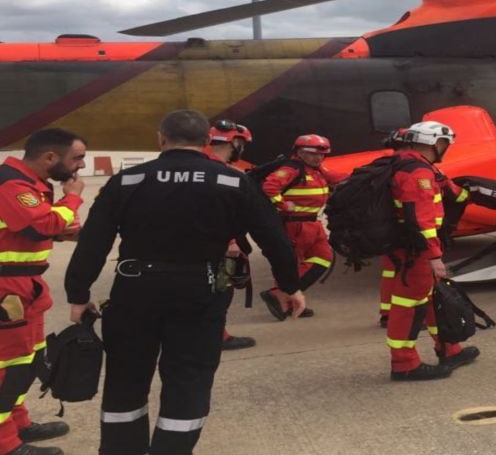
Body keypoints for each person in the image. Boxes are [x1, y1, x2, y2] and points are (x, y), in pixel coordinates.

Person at [65, 110, 303, 455]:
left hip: (134, 291)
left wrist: (79, 293)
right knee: (188, 379)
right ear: (207, 141)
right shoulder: (234, 181)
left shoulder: (128, 181)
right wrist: (290, 285)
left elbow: (94, 242)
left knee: (125, 378)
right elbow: (274, 238)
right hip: (199, 292)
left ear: (161, 139)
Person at [0, 128, 86, 455]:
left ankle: (18, 424)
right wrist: (72, 198)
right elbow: (39, 226)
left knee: (30, 358)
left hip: (26, 287)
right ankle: (5, 443)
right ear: (50, 157)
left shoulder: (32, 185)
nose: (79, 167)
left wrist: (61, 226)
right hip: (6, 288)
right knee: (8, 366)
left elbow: (41, 227)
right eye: (76, 158)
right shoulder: (10, 183)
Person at [384, 121, 478, 381]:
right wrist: (434, 257)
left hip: (413, 248)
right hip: (418, 252)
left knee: (433, 301)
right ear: (436, 143)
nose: (446, 148)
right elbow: (421, 220)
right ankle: (404, 364)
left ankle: (449, 348)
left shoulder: (408, 164)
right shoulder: (418, 174)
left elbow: (448, 192)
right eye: (445, 144)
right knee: (409, 307)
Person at [259, 134, 345, 320]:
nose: (318, 158)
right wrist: (282, 204)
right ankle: (286, 301)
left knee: (323, 258)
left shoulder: (317, 169)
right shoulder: (291, 169)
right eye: (313, 154)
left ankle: (282, 295)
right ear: (299, 152)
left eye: (322, 154)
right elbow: (270, 187)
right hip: (295, 224)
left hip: (312, 223)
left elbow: (335, 177)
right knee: (291, 264)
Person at [204, 120, 257, 351]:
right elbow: (216, 212)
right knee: (220, 291)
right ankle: (218, 337)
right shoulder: (223, 173)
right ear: (235, 142)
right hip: (215, 245)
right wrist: (231, 241)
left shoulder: (199, 166)